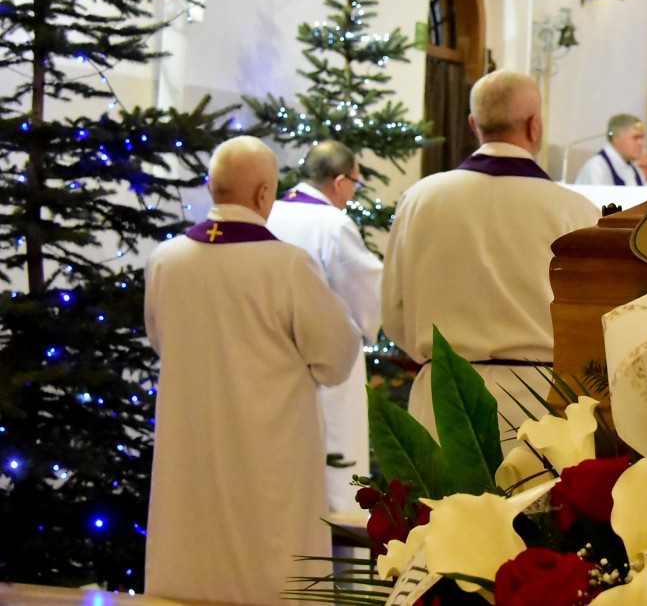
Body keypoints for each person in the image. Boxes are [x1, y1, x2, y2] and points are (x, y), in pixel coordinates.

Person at [144, 136, 362, 606]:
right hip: (268, 459)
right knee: (269, 577)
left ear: (210, 186)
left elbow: (162, 341)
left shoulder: (166, 260)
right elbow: (338, 354)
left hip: (190, 452)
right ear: (265, 193)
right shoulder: (286, 266)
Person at [382, 70, 600, 447]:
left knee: (443, 506)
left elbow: (394, 313)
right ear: (535, 126)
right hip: (539, 405)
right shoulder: (576, 211)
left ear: (474, 124)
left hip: (444, 399)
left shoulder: (420, 199)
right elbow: (591, 323)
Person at [266, 140, 382, 514]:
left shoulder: (269, 213)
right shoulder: (333, 223)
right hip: (329, 366)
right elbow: (365, 295)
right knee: (335, 475)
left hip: (274, 362)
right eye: (355, 184)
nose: (353, 194)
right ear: (338, 181)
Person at [574, 113, 647, 186]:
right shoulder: (596, 168)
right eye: (636, 138)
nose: (641, 143)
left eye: (642, 138)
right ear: (617, 138)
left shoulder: (636, 171)